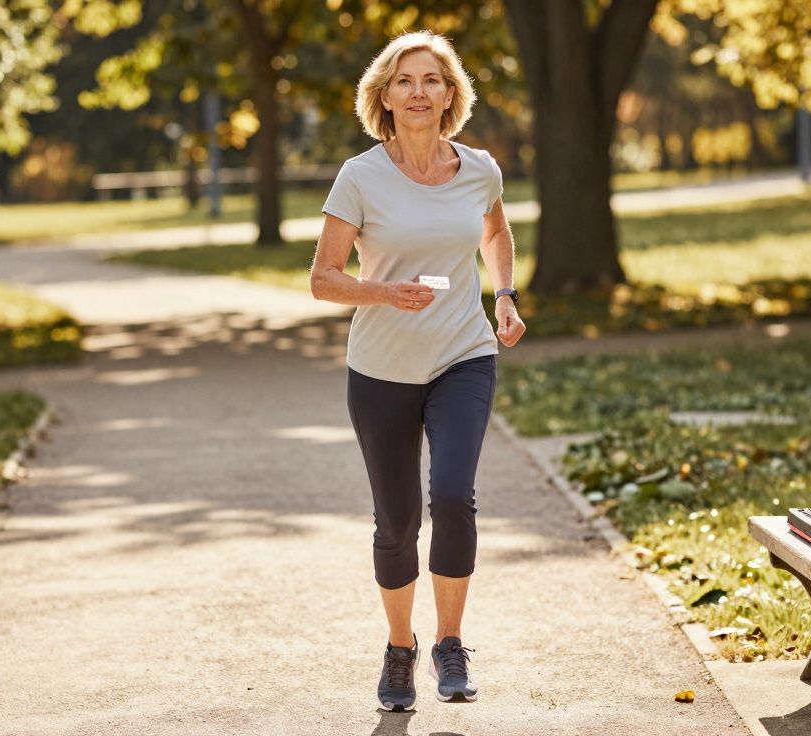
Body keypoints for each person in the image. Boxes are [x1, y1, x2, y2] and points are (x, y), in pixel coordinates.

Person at [309, 30, 526, 712]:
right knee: (397, 522)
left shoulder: (479, 169)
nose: (419, 91)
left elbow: (494, 233)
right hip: (381, 367)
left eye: (432, 79)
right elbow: (322, 279)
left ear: (450, 95)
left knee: (454, 497)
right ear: (384, 96)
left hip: (464, 354)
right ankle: (400, 648)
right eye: (405, 80)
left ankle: (450, 644)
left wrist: (507, 297)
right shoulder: (360, 176)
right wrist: (382, 292)